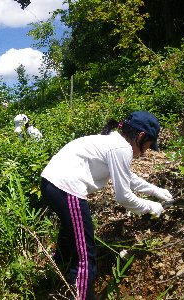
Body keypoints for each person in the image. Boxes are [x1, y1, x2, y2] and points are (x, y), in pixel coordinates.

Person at [40, 111, 174, 299]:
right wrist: (151, 207)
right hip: (66, 187)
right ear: (141, 136)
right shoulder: (121, 148)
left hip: (50, 184)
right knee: (86, 255)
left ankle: (58, 270)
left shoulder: (113, 142)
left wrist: (154, 190)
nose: (144, 153)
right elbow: (123, 197)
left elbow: (127, 176)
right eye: (148, 146)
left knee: (70, 231)